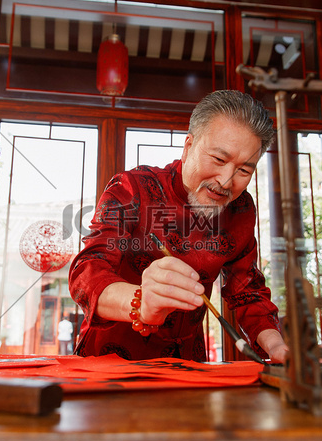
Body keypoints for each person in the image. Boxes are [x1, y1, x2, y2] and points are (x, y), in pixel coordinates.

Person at [68, 89, 288, 363]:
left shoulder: (240, 208)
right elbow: (87, 272)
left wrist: (277, 347)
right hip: (109, 363)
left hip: (187, 366)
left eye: (244, 170)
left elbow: (247, 291)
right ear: (188, 147)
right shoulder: (133, 188)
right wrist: (142, 302)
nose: (226, 180)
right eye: (219, 159)